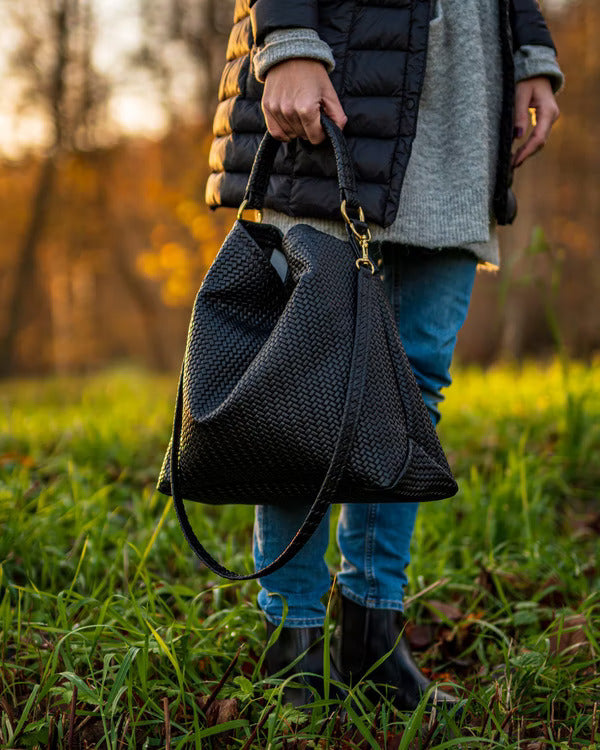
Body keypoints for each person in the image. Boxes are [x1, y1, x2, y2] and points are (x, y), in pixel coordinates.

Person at [205, 0, 564, 710]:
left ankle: (373, 640)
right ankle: (294, 643)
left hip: (463, 99)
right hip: (338, 77)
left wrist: (532, 53)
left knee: (414, 385)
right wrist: (287, 36)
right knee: (297, 382)